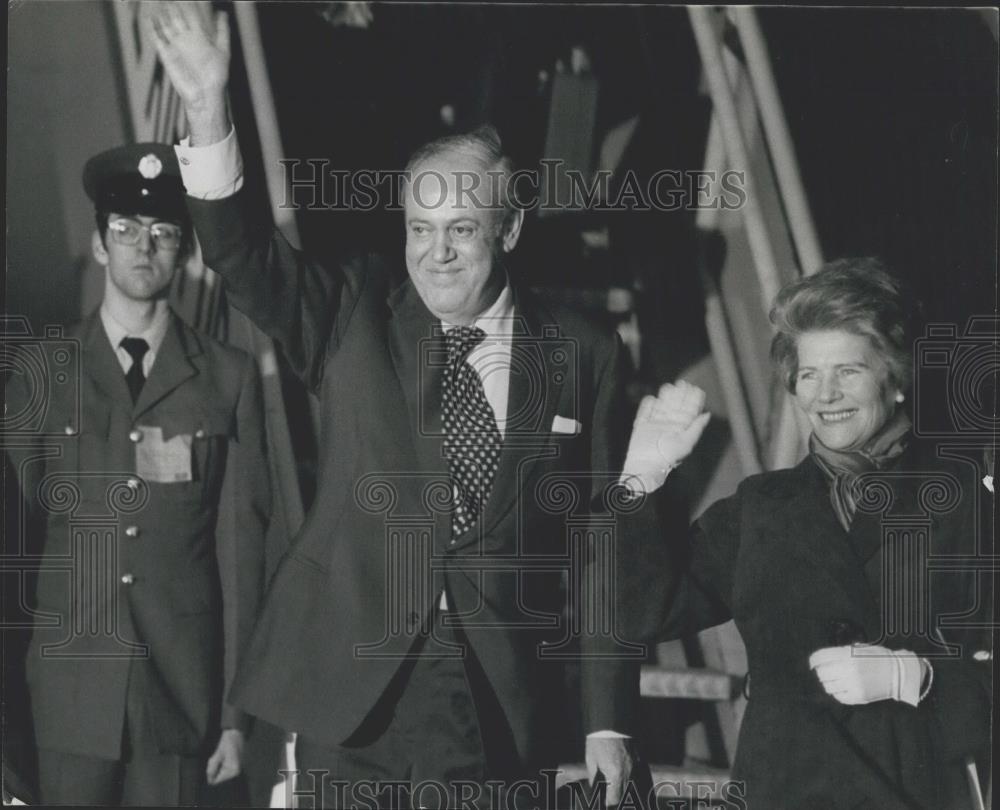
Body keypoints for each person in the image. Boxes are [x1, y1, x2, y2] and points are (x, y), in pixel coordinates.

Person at [148, 4, 704, 808]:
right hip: (351, 688)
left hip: (494, 696)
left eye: (461, 229)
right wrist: (206, 108)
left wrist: (606, 720)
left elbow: (597, 543)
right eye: (419, 227)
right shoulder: (354, 311)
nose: (435, 253)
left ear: (509, 229)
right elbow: (244, 256)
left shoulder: (584, 350)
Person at [629, 257, 994, 809]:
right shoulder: (760, 508)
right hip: (785, 792)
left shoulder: (971, 500)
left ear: (894, 380)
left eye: (848, 371)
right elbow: (638, 612)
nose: (826, 394)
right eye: (808, 374)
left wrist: (917, 679)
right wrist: (637, 486)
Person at [5, 143, 270, 805]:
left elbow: (239, 558)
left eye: (162, 233)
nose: (142, 247)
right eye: (124, 231)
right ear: (99, 246)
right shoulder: (43, 373)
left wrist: (237, 717)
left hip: (179, 700)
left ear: (183, 252)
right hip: (67, 700)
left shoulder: (226, 378)